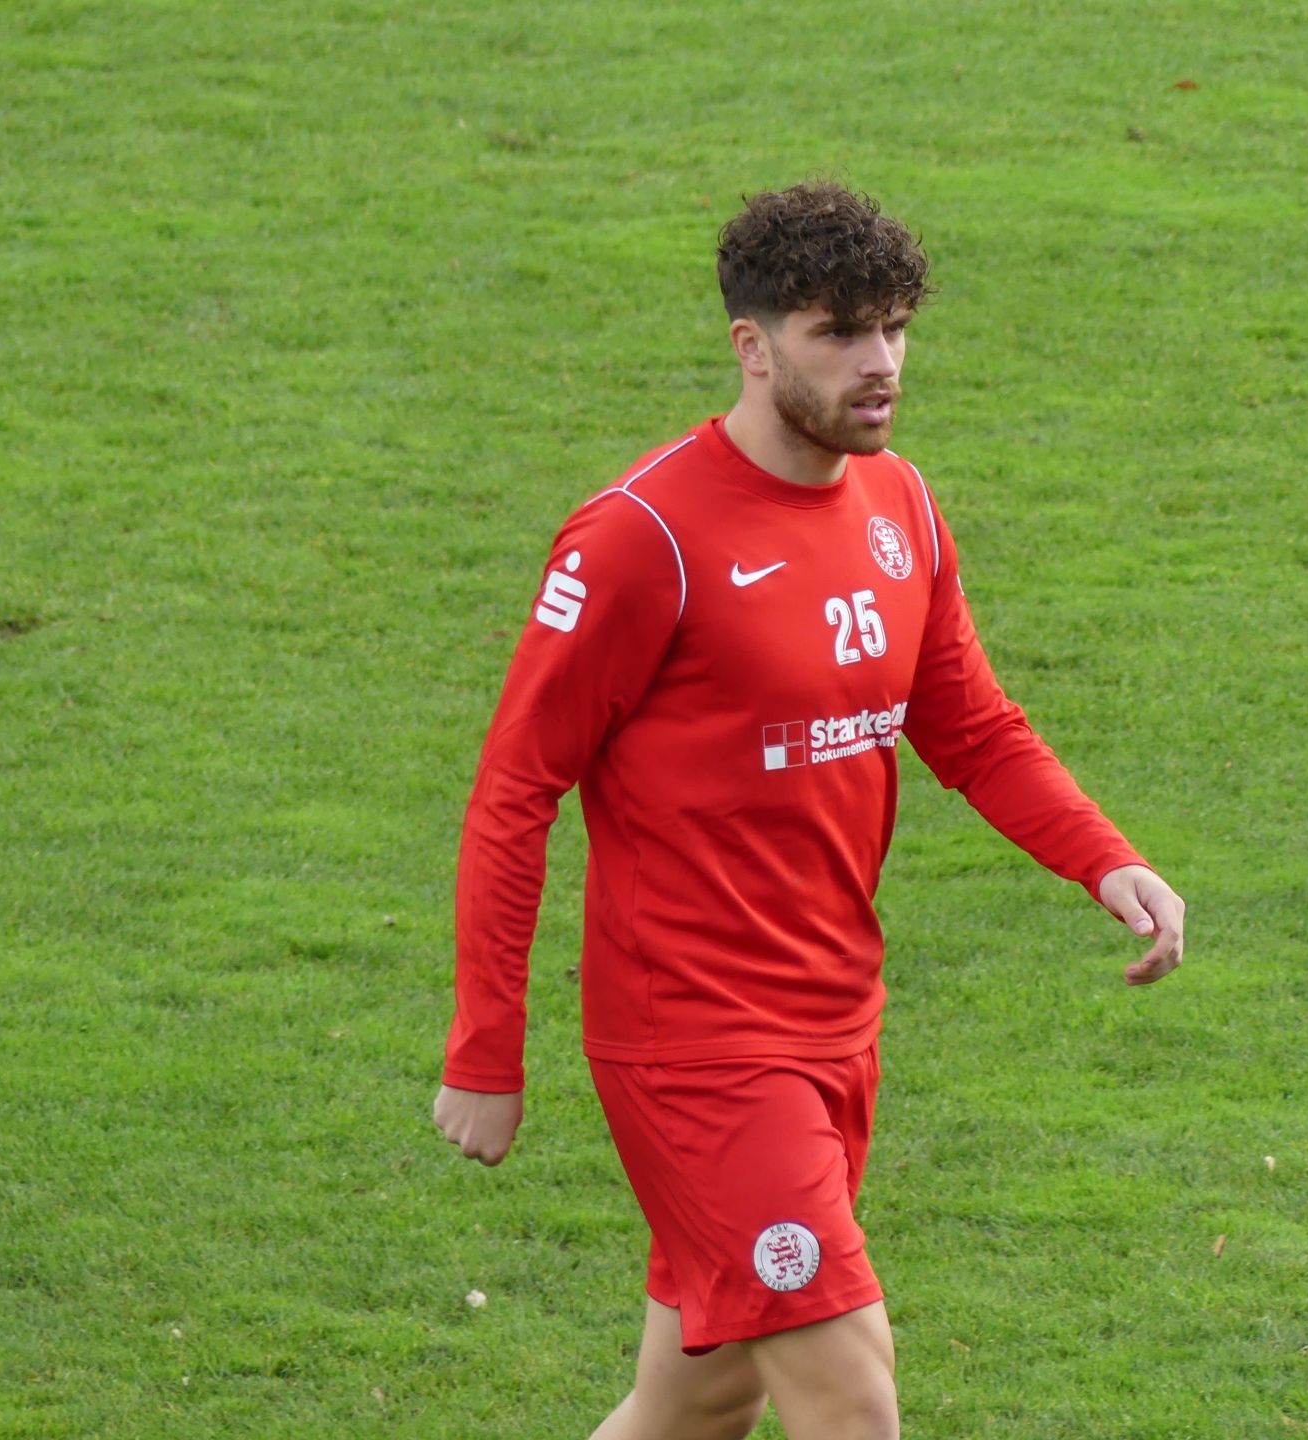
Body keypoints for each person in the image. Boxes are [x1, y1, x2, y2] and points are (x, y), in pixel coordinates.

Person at [434, 181, 1185, 1440]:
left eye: (894, 327)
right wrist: (485, 1051)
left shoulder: (901, 507)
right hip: (698, 1046)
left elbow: (971, 726)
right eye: (838, 332)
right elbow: (517, 789)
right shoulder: (641, 538)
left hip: (837, 1018)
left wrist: (1107, 862)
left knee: (700, 1400)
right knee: (852, 1396)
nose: (879, 362)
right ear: (754, 345)